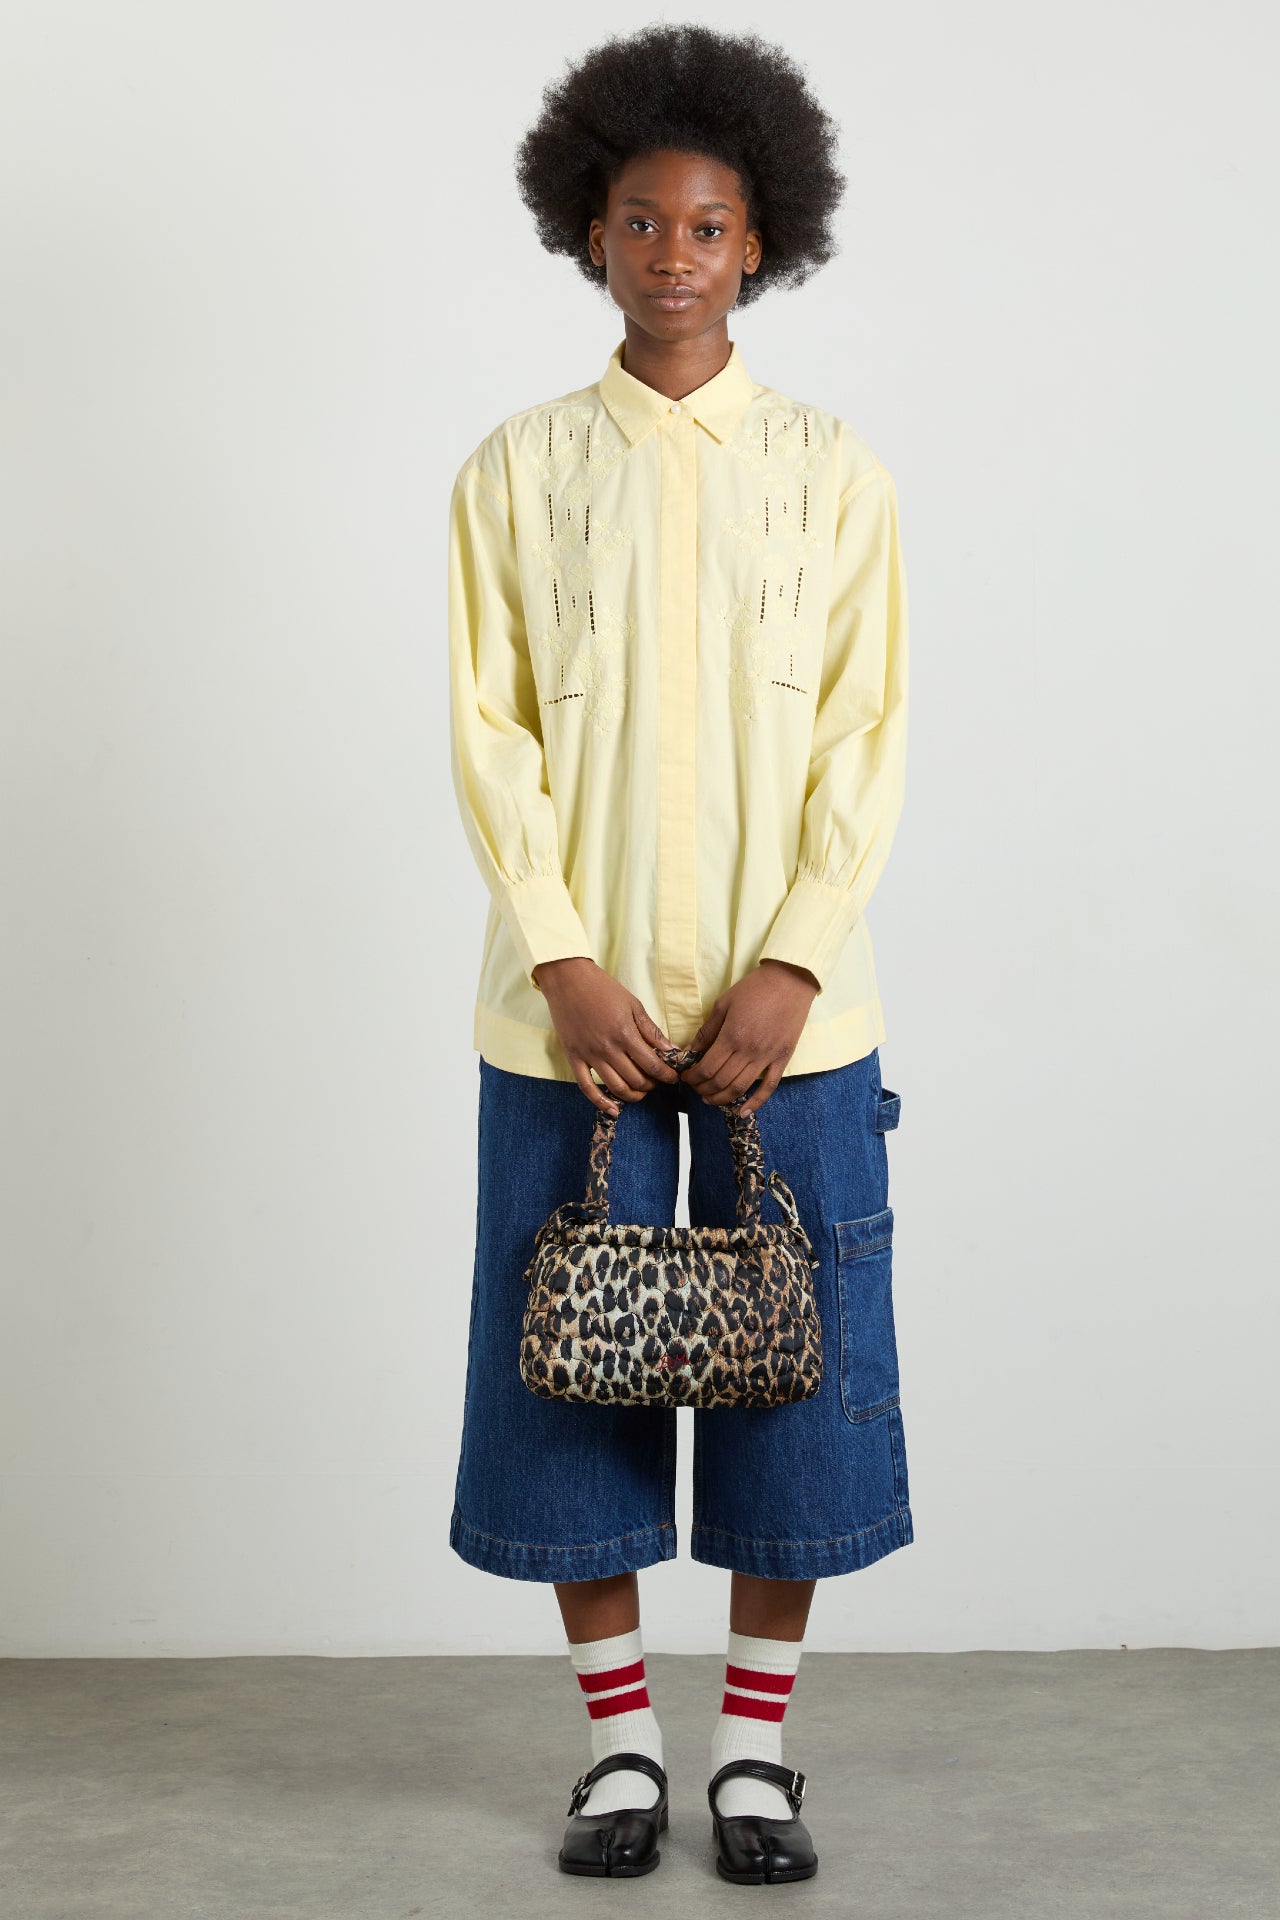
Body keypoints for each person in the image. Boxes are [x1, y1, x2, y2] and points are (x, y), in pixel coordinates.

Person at [445, 22, 911, 1885]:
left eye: (708, 226)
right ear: (590, 230)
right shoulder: (517, 470)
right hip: (578, 1025)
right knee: (577, 1378)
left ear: (760, 241)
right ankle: (623, 1751)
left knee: (795, 1384)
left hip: (794, 1027)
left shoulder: (833, 473)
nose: (673, 255)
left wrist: (793, 962)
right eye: (640, 220)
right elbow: (491, 735)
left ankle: (759, 1761)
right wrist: (561, 958)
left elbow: (867, 736)